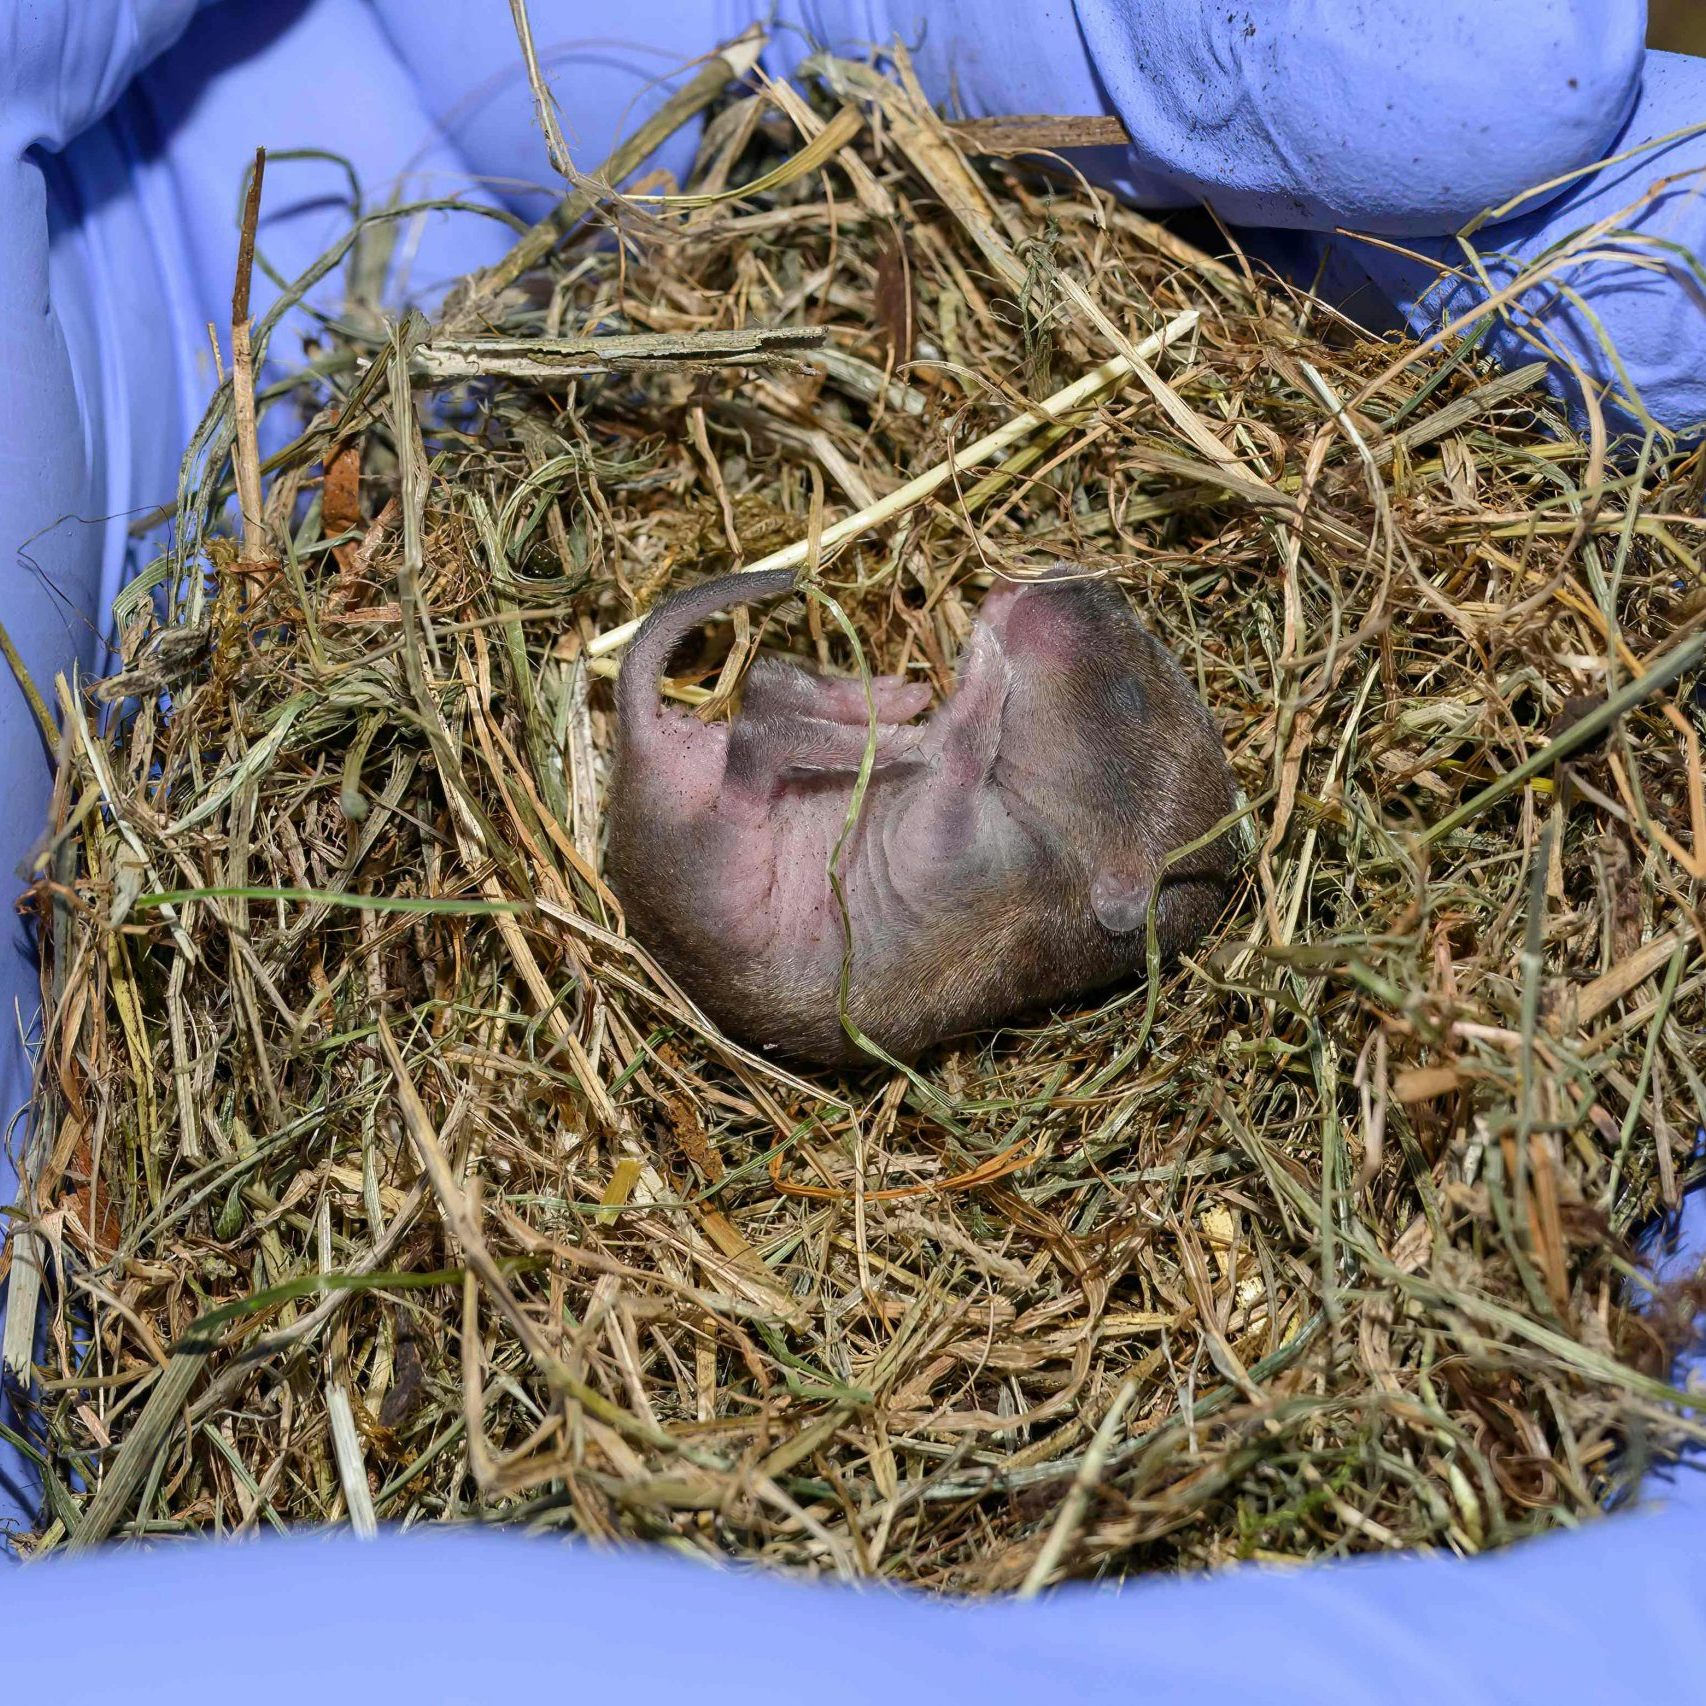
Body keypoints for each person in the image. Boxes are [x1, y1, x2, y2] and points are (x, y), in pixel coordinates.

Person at [2, 0, 1702, 1533]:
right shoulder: (1021, 872)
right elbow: (913, 761)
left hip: (727, 877)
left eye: (1024, 688)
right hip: (734, 845)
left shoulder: (995, 903)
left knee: (785, 732)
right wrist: (926, 718)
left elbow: (913, 787)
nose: (991, 654)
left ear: (1115, 879)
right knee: (800, 722)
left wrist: (928, 728)